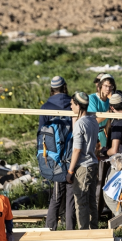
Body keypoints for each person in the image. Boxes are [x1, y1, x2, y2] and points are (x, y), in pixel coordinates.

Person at [40, 76, 75, 231]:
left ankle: (50, 228)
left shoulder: (45, 107)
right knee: (70, 196)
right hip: (72, 154)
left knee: (56, 195)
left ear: (52, 88)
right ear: (65, 87)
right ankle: (70, 230)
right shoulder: (72, 105)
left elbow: (41, 134)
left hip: (54, 157)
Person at [67, 92, 100, 229]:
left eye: (72, 104)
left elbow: (77, 150)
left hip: (83, 166)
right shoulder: (92, 119)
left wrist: (70, 170)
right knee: (91, 200)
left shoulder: (80, 124)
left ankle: (84, 233)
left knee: (81, 202)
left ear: (78, 105)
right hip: (93, 164)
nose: (70, 106)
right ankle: (94, 230)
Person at [88, 74, 116, 148]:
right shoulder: (92, 99)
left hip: (104, 134)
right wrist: (108, 113)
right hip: (93, 133)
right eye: (106, 86)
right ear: (100, 85)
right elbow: (94, 121)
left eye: (110, 86)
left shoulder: (110, 101)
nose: (108, 89)